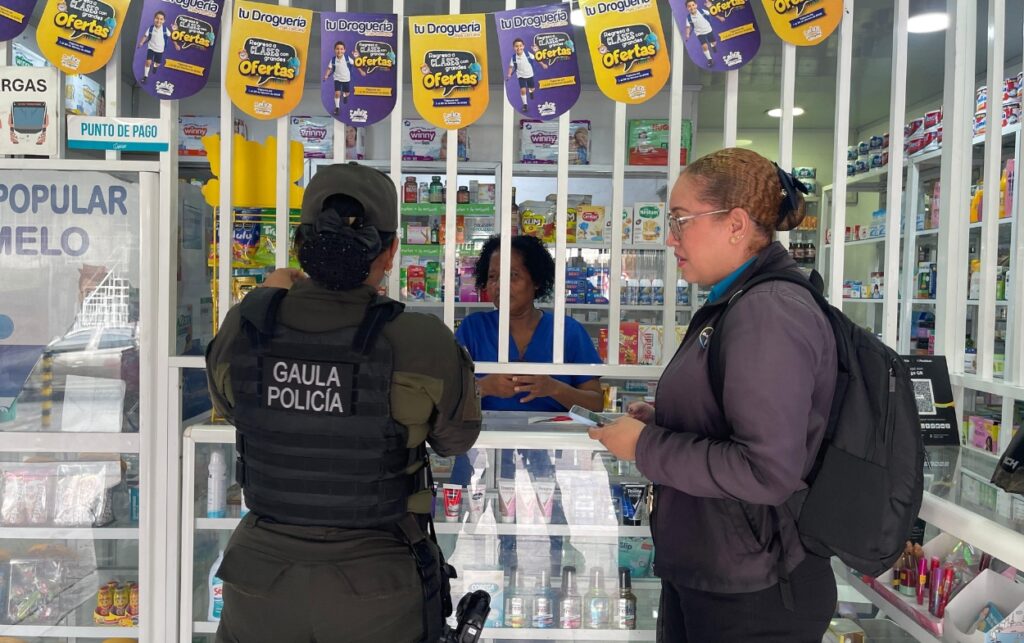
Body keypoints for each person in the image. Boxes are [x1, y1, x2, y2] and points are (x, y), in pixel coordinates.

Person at [206, 163, 482, 643]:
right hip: (378, 584)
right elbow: (456, 439)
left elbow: (234, 408)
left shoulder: (246, 326)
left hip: (259, 581)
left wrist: (271, 291)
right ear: (391, 251)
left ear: (300, 245)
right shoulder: (420, 340)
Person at [589, 148, 838, 642]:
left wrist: (643, 446)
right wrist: (665, 418)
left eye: (681, 220)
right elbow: (738, 415)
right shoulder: (737, 300)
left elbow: (766, 469)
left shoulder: (768, 310)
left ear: (737, 225)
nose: (669, 237)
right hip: (721, 572)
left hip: (754, 592)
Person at [450, 234, 602, 485]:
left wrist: (553, 388)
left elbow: (595, 406)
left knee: (545, 522)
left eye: (513, 276)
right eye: (493, 277)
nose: (499, 285)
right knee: (472, 521)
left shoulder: (568, 332)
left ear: (537, 282)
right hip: (481, 456)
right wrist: (484, 388)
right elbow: (446, 397)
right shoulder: (473, 328)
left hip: (550, 460)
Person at [137, 11, 180, 84]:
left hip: (160, 50)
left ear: (164, 21)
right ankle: (145, 76)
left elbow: (172, 37)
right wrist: (141, 42)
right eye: (157, 18)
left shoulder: (165, 29)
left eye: (161, 19)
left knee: (157, 63)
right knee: (148, 62)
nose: (158, 20)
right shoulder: (150, 28)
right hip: (151, 48)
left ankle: (155, 65)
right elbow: (145, 36)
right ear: (154, 19)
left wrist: (176, 45)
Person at [507, 38, 547, 114]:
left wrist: (543, 64)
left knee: (532, 88)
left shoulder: (528, 54)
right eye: (516, 46)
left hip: (530, 75)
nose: (518, 48)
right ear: (513, 47)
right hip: (521, 76)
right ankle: (525, 104)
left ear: (523, 46)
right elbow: (511, 67)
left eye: (520, 46)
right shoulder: (513, 58)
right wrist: (509, 74)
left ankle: (531, 91)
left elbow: (537, 58)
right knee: (522, 90)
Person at [324, 41, 364, 114]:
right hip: (337, 79)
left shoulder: (347, 58)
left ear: (344, 50)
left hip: (346, 79)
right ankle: (337, 107)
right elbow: (329, 68)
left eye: (341, 49)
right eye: (337, 49)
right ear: (334, 50)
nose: (339, 51)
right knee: (337, 93)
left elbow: (356, 64)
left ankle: (345, 95)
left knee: (347, 92)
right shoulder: (333, 60)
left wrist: (361, 71)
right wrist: (326, 75)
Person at [684, 0, 725, 68]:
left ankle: (713, 45)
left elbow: (712, 13)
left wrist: (719, 17)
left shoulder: (702, 11)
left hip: (708, 30)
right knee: (704, 46)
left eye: (693, 5)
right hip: (699, 33)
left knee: (714, 42)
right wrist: (687, 34)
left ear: (696, 5)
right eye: (689, 6)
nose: (691, 7)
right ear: (687, 8)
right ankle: (710, 59)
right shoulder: (688, 18)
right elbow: (688, 27)